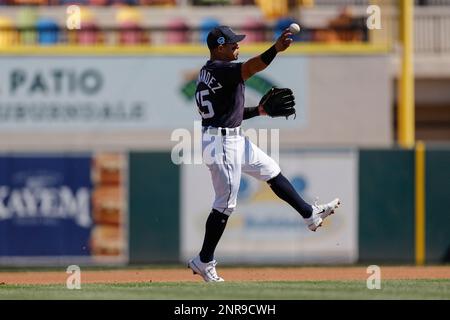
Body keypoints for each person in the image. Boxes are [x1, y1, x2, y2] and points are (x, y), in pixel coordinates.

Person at [188, 26, 340, 282]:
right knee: (225, 204)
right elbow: (251, 67)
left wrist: (258, 111)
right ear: (219, 48)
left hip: (227, 136)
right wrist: (275, 50)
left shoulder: (208, 71)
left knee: (270, 169)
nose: (237, 46)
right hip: (221, 142)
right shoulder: (222, 69)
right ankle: (204, 260)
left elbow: (227, 111)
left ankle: (309, 214)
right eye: (232, 43)